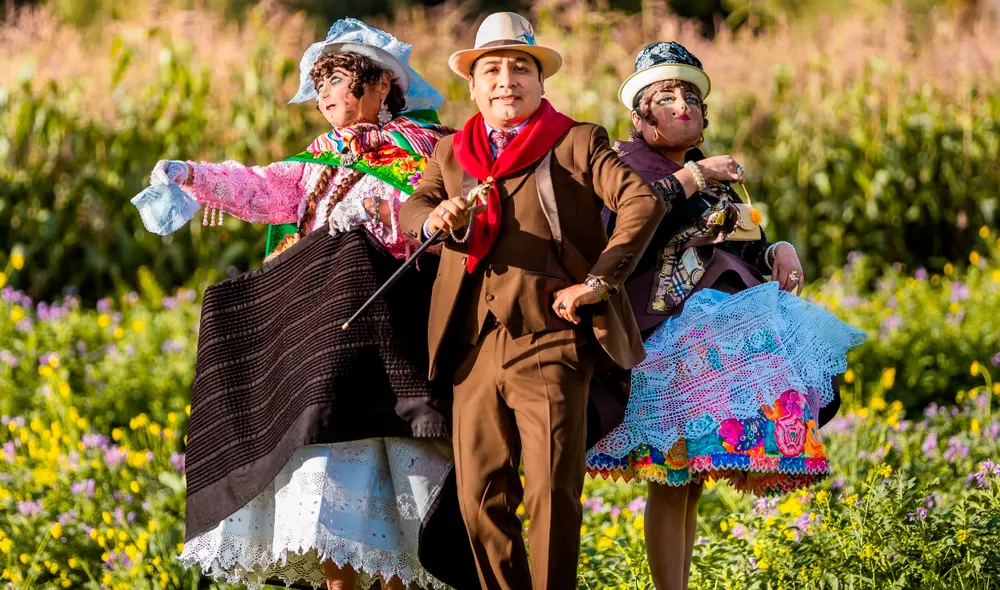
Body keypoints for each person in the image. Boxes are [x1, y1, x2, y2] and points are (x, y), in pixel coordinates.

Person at [132, 18, 473, 590]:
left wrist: (381, 222)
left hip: (395, 348)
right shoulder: (320, 157)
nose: (323, 95)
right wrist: (194, 175)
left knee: (402, 527)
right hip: (325, 349)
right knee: (329, 517)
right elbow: (264, 185)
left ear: (382, 85)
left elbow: (441, 223)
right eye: (320, 84)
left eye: (336, 80)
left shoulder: (432, 152)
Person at [398, 12, 666, 590]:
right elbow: (413, 209)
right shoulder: (451, 153)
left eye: (519, 67)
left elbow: (641, 203)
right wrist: (434, 217)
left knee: (550, 493)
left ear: (540, 81)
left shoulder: (576, 140)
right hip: (471, 343)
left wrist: (599, 280)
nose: (505, 81)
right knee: (477, 499)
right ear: (472, 85)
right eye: (490, 69)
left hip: (550, 339)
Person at [585, 41, 867, 589]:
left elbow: (732, 247)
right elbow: (621, 233)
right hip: (658, 330)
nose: (681, 104)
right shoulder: (621, 165)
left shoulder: (712, 173)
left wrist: (773, 250)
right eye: (664, 96)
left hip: (712, 331)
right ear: (640, 115)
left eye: (690, 94)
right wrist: (691, 181)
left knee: (689, 480)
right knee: (671, 475)